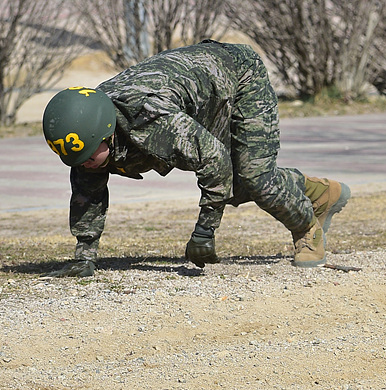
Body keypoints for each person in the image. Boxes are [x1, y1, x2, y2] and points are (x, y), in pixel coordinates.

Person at [41, 39, 350, 277]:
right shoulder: (87, 130)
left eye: (87, 154)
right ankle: (320, 193)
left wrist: (205, 231)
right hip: (202, 92)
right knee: (236, 182)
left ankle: (308, 227)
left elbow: (214, 163)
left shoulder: (151, 117)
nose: (83, 163)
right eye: (75, 158)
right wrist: (84, 256)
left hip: (240, 76)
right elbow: (87, 190)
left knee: (254, 178)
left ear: (107, 132)